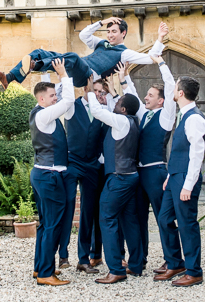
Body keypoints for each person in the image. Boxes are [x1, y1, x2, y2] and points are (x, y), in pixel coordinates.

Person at [117, 23, 179, 275]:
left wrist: (161, 62)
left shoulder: (166, 117)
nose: (146, 97)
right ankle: (138, 262)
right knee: (137, 219)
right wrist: (124, 78)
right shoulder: (144, 115)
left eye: (151, 95)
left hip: (155, 173)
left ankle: (172, 260)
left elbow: (171, 87)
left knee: (164, 219)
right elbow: (132, 95)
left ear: (161, 100)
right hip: (138, 173)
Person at [0, 17, 165, 89]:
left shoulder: (124, 53)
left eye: (114, 32)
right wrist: (101, 22)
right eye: (109, 31)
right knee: (40, 51)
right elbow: (84, 35)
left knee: (73, 57)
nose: (110, 35)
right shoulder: (102, 43)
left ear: (123, 33)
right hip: (77, 69)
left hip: (88, 77)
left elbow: (150, 59)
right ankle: (9, 78)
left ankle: (36, 66)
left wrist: (159, 38)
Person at [155, 76, 205, 287]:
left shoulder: (194, 118)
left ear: (181, 93)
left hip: (186, 179)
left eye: (175, 87)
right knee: (164, 219)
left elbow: (197, 153)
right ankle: (175, 262)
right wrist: (170, 176)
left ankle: (194, 271)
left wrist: (188, 184)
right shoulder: (183, 115)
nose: (173, 91)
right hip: (175, 177)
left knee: (187, 224)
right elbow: (180, 151)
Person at [89, 91, 144, 284]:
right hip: (130, 177)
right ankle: (136, 265)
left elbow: (96, 111)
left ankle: (115, 269)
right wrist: (108, 97)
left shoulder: (121, 121)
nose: (115, 103)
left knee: (107, 218)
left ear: (123, 109)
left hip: (118, 178)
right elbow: (108, 109)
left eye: (118, 101)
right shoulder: (132, 121)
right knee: (129, 221)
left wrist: (89, 90)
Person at [55, 80, 110, 273]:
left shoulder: (102, 111)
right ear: (85, 89)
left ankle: (84, 259)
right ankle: (63, 254)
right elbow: (59, 94)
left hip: (91, 165)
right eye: (94, 90)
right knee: (69, 205)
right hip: (72, 162)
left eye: (100, 92)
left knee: (88, 211)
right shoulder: (72, 106)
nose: (97, 94)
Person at [29, 58, 73, 287]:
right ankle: (46, 273)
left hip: (43, 174)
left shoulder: (42, 113)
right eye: (52, 96)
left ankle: (40, 268)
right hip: (49, 177)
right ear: (42, 99)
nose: (55, 99)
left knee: (45, 225)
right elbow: (68, 101)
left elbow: (62, 99)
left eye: (55, 95)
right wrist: (64, 74)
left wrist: (51, 75)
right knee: (53, 225)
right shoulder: (44, 115)